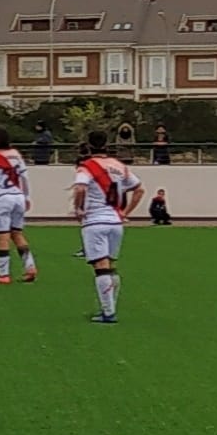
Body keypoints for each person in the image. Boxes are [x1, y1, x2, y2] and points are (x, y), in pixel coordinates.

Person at [71, 131, 146, 323]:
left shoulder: (86, 167)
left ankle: (108, 312)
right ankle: (109, 307)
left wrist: (78, 208)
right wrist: (125, 212)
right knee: (111, 266)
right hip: (115, 222)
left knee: (100, 267)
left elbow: (80, 187)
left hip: (95, 220)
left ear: (88, 145)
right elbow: (139, 189)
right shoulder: (119, 166)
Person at [0, 129, 37, 285]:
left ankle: (3, 275)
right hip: (18, 196)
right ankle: (30, 266)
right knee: (17, 234)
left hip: (2, 198)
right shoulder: (16, 154)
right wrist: (26, 196)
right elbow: (24, 176)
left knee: (2, 237)